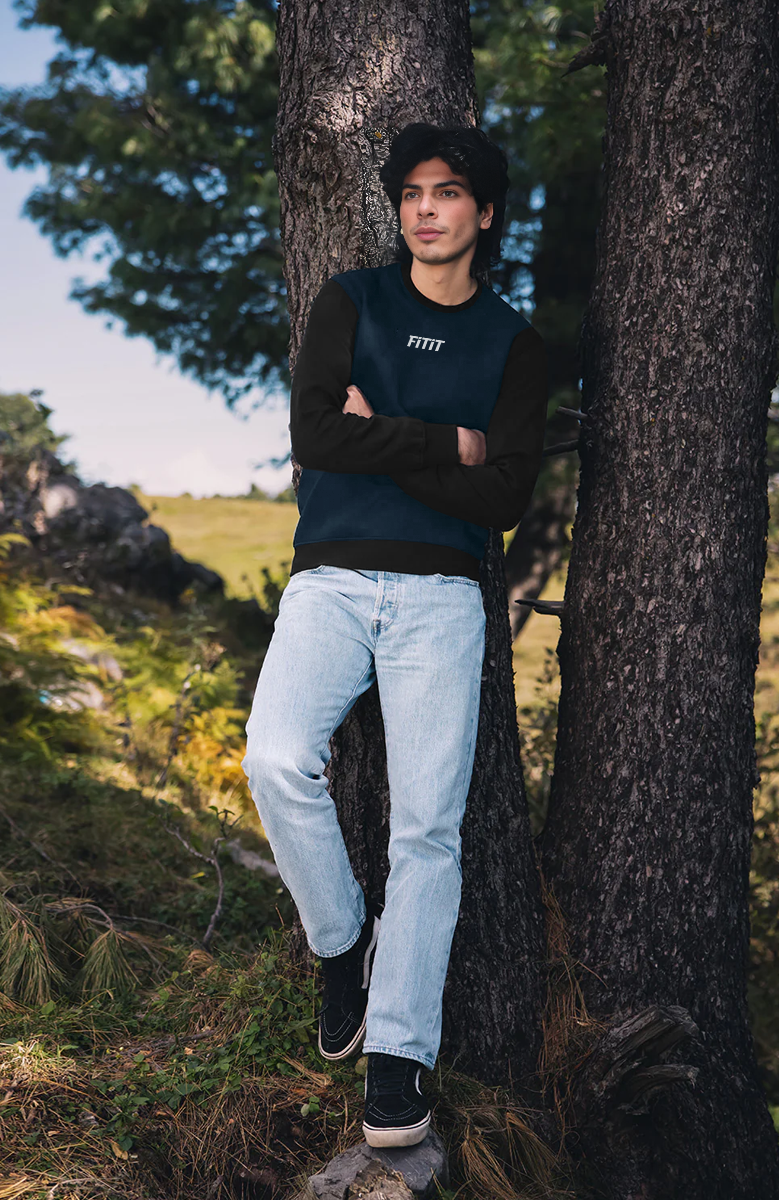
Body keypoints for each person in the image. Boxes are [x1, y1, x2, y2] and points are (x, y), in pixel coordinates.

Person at [241, 122, 549, 1148]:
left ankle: (398, 1055)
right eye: (412, 193)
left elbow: (504, 498)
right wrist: (443, 445)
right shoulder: (351, 301)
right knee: (276, 757)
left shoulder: (514, 344)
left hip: (443, 598)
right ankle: (342, 943)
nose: (425, 209)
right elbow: (315, 434)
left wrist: (379, 439)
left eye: (447, 192)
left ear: (485, 213)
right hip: (330, 578)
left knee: (427, 830)